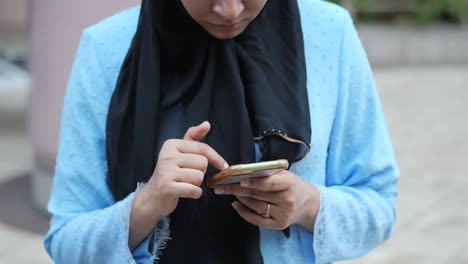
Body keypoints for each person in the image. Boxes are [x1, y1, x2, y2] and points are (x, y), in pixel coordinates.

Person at [43, 0, 399, 263]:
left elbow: (379, 205)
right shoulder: (106, 49)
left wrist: (307, 205)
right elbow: (65, 241)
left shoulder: (328, 33)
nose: (229, 10)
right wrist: (146, 205)